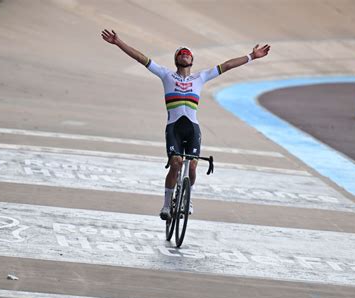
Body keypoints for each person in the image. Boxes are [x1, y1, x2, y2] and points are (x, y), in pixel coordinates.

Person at [101, 29, 271, 220]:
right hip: (174, 127)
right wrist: (119, 42)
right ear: (176, 59)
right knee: (176, 163)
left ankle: (188, 200)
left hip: (192, 128)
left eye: (188, 54)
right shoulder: (166, 75)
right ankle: (166, 205)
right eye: (181, 54)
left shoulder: (201, 77)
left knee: (191, 167)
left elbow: (228, 65)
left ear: (192, 61)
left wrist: (251, 56)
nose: (185, 55)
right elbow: (141, 58)